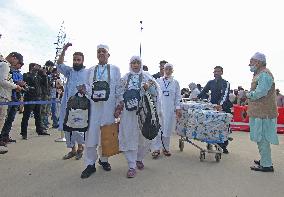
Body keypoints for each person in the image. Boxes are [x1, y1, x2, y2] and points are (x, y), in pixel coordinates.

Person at [114, 56, 162, 178]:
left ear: (141, 64)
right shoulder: (125, 78)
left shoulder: (147, 77)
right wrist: (120, 104)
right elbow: (118, 92)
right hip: (128, 113)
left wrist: (148, 88)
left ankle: (139, 158)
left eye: (138, 63)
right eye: (133, 63)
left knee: (145, 136)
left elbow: (156, 93)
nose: (135, 65)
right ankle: (131, 165)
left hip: (144, 113)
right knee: (129, 136)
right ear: (130, 64)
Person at [81, 44, 121, 179]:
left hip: (109, 108)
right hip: (94, 108)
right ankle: (90, 164)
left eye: (104, 51)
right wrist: (84, 90)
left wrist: (118, 106)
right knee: (92, 135)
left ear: (108, 55)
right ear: (96, 54)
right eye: (99, 52)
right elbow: (87, 86)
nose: (101, 53)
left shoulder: (115, 69)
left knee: (107, 134)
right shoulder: (90, 70)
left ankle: (104, 160)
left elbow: (118, 90)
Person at [246, 52, 279, 172]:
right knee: (261, 138)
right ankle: (265, 160)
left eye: (251, 61)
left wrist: (248, 94)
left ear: (258, 62)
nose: (249, 64)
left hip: (263, 113)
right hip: (260, 112)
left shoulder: (264, 75)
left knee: (262, 138)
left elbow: (260, 93)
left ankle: (266, 165)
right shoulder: (260, 74)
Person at [56, 43, 87, 161]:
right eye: (74, 60)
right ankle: (72, 150)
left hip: (80, 105)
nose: (76, 62)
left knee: (78, 128)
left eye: (78, 60)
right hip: (67, 104)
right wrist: (64, 49)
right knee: (67, 128)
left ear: (82, 61)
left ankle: (80, 148)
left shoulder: (87, 72)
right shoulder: (69, 71)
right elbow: (59, 64)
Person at [198, 66, 233, 154]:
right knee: (211, 126)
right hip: (213, 108)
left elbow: (224, 95)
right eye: (215, 72)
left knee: (224, 127)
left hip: (223, 108)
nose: (216, 73)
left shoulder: (225, 83)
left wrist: (220, 105)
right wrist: (197, 97)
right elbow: (203, 91)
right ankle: (210, 143)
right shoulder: (210, 82)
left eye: (218, 71)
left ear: (222, 72)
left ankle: (223, 146)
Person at [152, 63, 181, 159]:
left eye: (170, 69)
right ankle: (156, 149)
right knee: (158, 129)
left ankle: (166, 148)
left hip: (169, 110)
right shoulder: (157, 81)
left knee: (167, 129)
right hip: (159, 108)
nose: (168, 71)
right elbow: (153, 94)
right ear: (163, 70)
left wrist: (178, 108)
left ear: (172, 71)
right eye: (166, 69)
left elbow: (177, 97)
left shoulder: (175, 82)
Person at [0, 52, 23, 153]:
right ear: (13, 58)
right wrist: (16, 86)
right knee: (1, 121)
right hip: (3, 96)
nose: (16, 64)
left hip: (4, 96)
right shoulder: (5, 65)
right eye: (17, 61)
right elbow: (3, 81)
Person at [20, 63, 50, 139]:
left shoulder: (38, 76)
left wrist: (44, 74)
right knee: (26, 116)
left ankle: (40, 130)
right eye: (37, 66)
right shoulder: (26, 75)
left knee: (38, 115)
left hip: (38, 97)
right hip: (29, 98)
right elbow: (28, 80)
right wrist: (34, 72)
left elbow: (45, 85)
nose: (39, 68)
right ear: (32, 67)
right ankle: (24, 133)